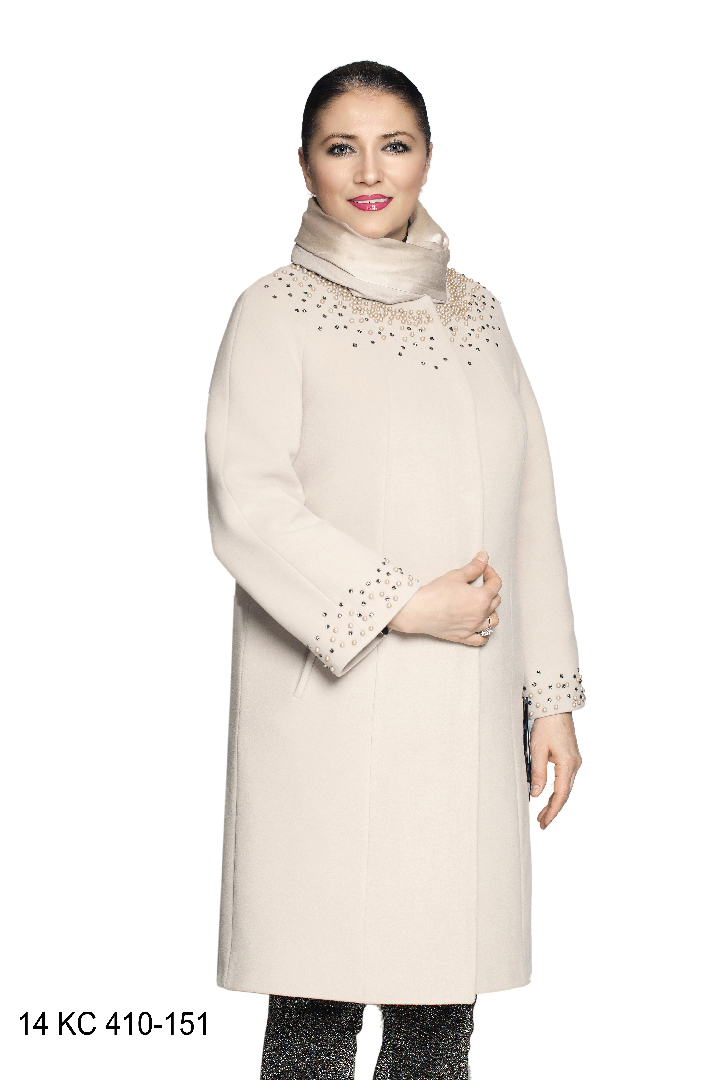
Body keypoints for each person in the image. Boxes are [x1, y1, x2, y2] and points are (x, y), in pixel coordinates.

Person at [205, 60, 585, 1080]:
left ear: (427, 159)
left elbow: (530, 508)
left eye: (395, 146)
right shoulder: (274, 310)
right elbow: (249, 502)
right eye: (343, 148)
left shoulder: (479, 313)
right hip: (328, 715)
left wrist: (550, 697)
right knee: (316, 1011)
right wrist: (400, 605)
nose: (370, 172)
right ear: (305, 165)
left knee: (436, 1020)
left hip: (466, 712)